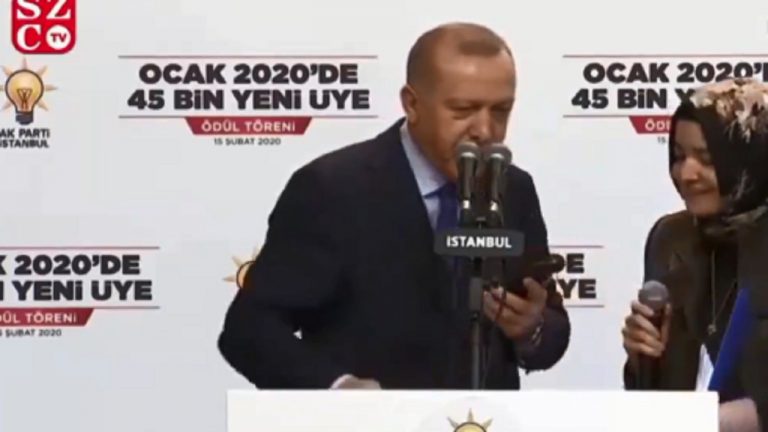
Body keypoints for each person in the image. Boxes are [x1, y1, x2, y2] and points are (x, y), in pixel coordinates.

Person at [218, 22, 571, 390]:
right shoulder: (333, 189)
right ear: (412, 104)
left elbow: (551, 332)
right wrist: (338, 388)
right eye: (463, 109)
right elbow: (250, 330)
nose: (485, 130)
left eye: (500, 110)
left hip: (481, 418)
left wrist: (532, 329)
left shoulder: (513, 189)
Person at [621, 78, 768, 432]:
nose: (686, 174)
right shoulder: (671, 238)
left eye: (707, 158)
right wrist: (644, 359)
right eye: (678, 156)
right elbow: (657, 398)